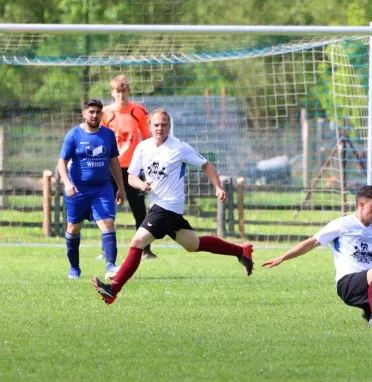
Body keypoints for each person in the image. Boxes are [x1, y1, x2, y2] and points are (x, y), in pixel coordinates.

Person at [92, 108, 254, 305]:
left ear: (170, 126)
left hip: (167, 207)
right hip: (161, 207)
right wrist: (141, 184)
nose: (160, 128)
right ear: (149, 126)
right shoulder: (143, 147)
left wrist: (218, 187)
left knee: (137, 243)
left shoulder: (179, 147)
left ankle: (113, 289)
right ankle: (241, 251)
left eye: (164, 125)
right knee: (193, 244)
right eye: (156, 125)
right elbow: (132, 176)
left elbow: (206, 166)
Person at [262, 185, 372, 328]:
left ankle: (371, 311)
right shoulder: (342, 224)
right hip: (347, 284)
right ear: (361, 204)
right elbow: (312, 242)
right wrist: (282, 257)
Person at [57, 99, 125, 280]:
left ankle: (110, 266)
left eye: (98, 112)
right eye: (91, 112)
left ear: (102, 114)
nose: (95, 115)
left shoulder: (108, 135)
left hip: (102, 189)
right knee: (73, 228)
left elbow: (114, 162)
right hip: (78, 191)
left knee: (108, 223)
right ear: (84, 113)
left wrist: (120, 187)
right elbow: (61, 162)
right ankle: (74, 268)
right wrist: (67, 183)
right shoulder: (73, 135)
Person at [99, 74, 157, 260]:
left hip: (132, 170)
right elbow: (99, 137)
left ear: (129, 92)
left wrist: (149, 165)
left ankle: (145, 249)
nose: (120, 95)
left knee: (139, 208)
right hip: (109, 168)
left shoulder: (138, 111)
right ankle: (106, 250)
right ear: (112, 92)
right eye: (117, 91)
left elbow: (148, 138)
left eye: (124, 91)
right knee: (106, 208)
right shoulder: (106, 113)